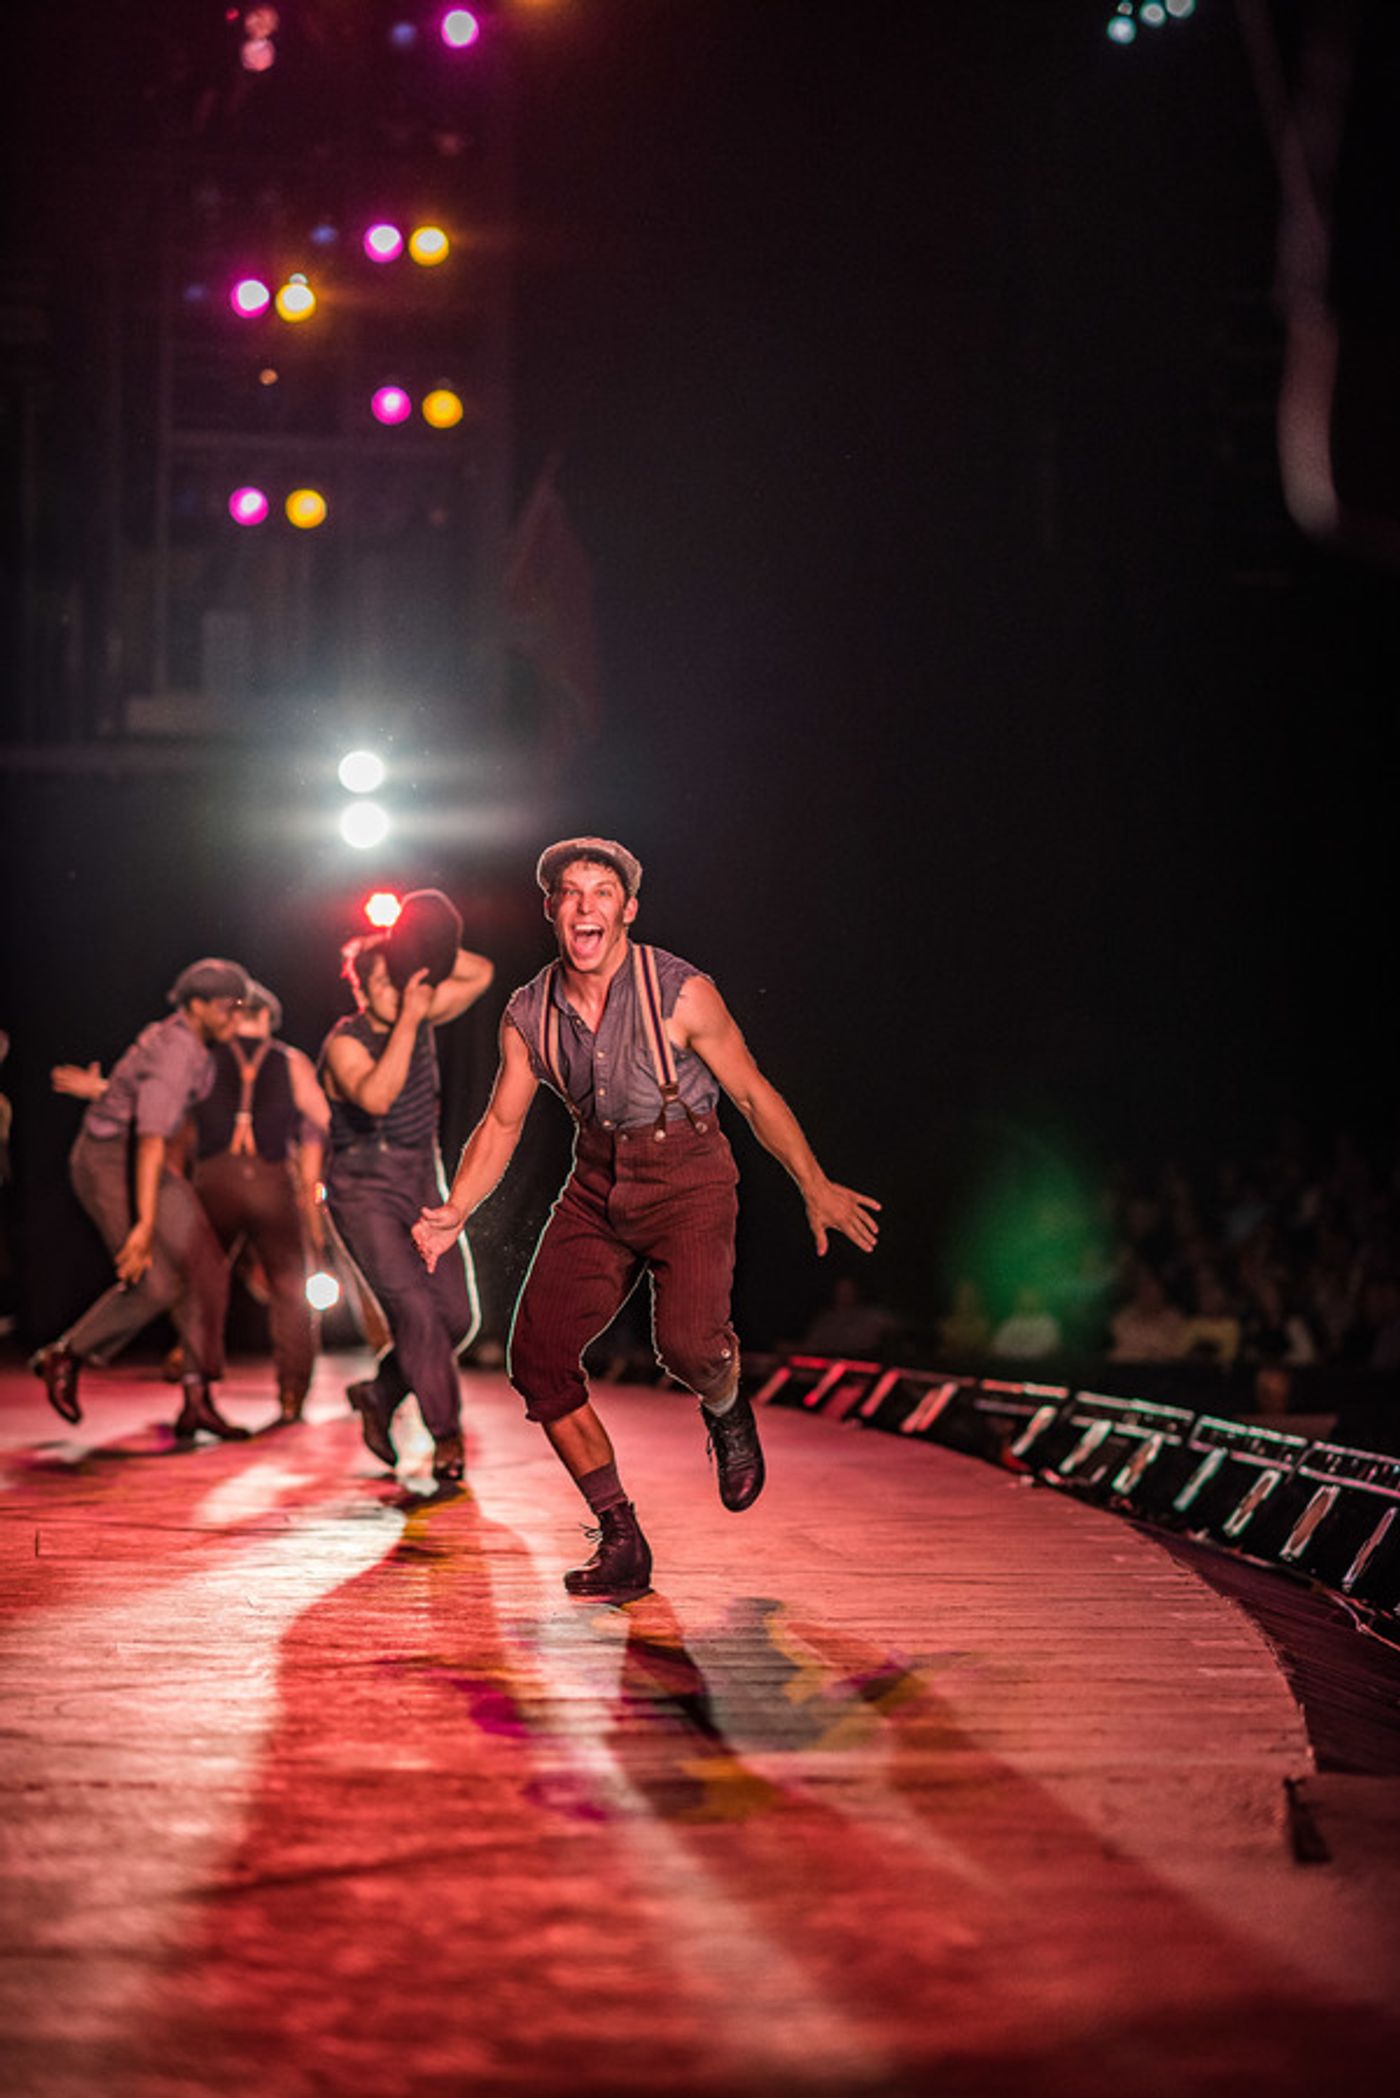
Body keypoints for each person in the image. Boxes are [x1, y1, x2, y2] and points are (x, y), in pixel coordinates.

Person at [412, 836, 880, 1601]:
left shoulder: (681, 993)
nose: (585, 906)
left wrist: (814, 1184)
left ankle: (726, 1406)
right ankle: (621, 1535)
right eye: (571, 892)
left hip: (689, 1177)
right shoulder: (529, 1013)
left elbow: (752, 1093)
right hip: (597, 1182)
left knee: (688, 1346)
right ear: (551, 910)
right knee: (537, 1360)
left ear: (628, 910)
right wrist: (456, 1210)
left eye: (602, 892)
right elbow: (500, 1125)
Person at [53, 982, 332, 1425]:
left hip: (216, 1180)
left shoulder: (208, 1057)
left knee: (199, 1278)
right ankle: (291, 1393)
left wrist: (104, 1088)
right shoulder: (291, 1061)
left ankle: (192, 1375)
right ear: (269, 1018)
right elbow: (323, 1119)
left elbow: (162, 1106)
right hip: (271, 1181)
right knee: (290, 1288)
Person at [31, 958, 252, 1441]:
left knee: (207, 1268)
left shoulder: (196, 1046)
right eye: (227, 1008)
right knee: (153, 1284)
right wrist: (145, 1226)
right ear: (196, 1006)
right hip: (108, 1160)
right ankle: (64, 1356)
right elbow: (152, 1140)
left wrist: (106, 1089)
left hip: (145, 1157)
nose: (236, 1019)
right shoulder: (177, 1051)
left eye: (240, 1008)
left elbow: (148, 1103)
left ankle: (197, 1401)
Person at [320, 923, 494, 1483]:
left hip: (420, 1178)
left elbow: (481, 972)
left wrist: (419, 945)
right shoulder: (345, 1042)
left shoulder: (417, 1011)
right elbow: (377, 1096)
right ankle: (446, 1434)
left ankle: (380, 1392)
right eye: (382, 982)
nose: (395, 991)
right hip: (363, 1188)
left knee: (457, 1317)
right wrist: (412, 1015)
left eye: (398, 978)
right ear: (361, 989)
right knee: (415, 1310)